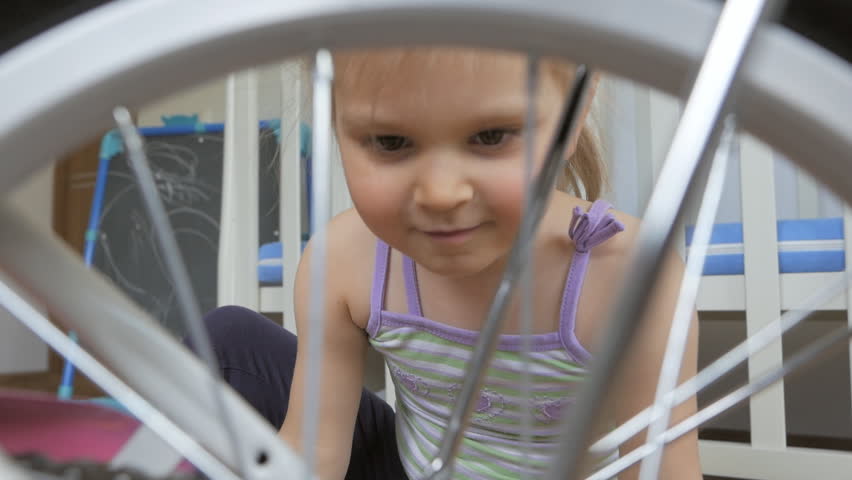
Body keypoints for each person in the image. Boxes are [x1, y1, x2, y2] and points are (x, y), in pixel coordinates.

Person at [201, 47, 701, 479]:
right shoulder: (344, 258)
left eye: (490, 136)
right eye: (391, 142)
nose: (441, 194)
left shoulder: (631, 276)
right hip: (407, 471)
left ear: (575, 112)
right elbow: (315, 455)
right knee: (228, 339)